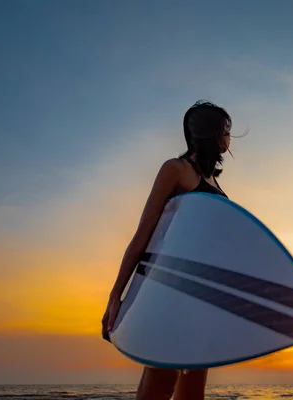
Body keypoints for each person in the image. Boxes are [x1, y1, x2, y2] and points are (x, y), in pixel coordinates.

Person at [101, 100, 239, 400]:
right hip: (170, 291)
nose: (229, 139)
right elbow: (144, 233)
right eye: (226, 131)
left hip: (203, 295)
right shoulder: (175, 169)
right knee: (160, 384)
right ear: (210, 133)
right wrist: (117, 295)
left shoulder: (214, 182)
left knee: (193, 392)